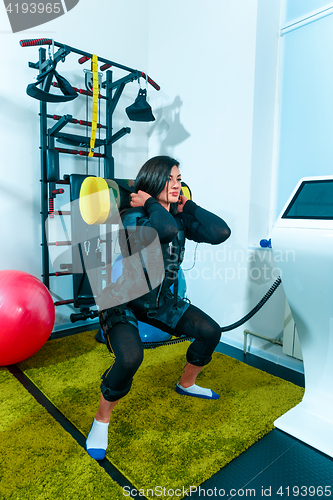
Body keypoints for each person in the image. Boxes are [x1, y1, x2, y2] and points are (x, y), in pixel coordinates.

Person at [86, 155, 231, 460]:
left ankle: (187, 383)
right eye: (171, 179)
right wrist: (151, 203)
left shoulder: (178, 218)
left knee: (210, 332)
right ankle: (101, 420)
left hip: (161, 303)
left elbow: (220, 233)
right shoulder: (131, 217)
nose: (178, 185)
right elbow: (161, 232)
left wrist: (187, 206)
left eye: (180, 179)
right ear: (153, 183)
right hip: (121, 301)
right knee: (130, 358)